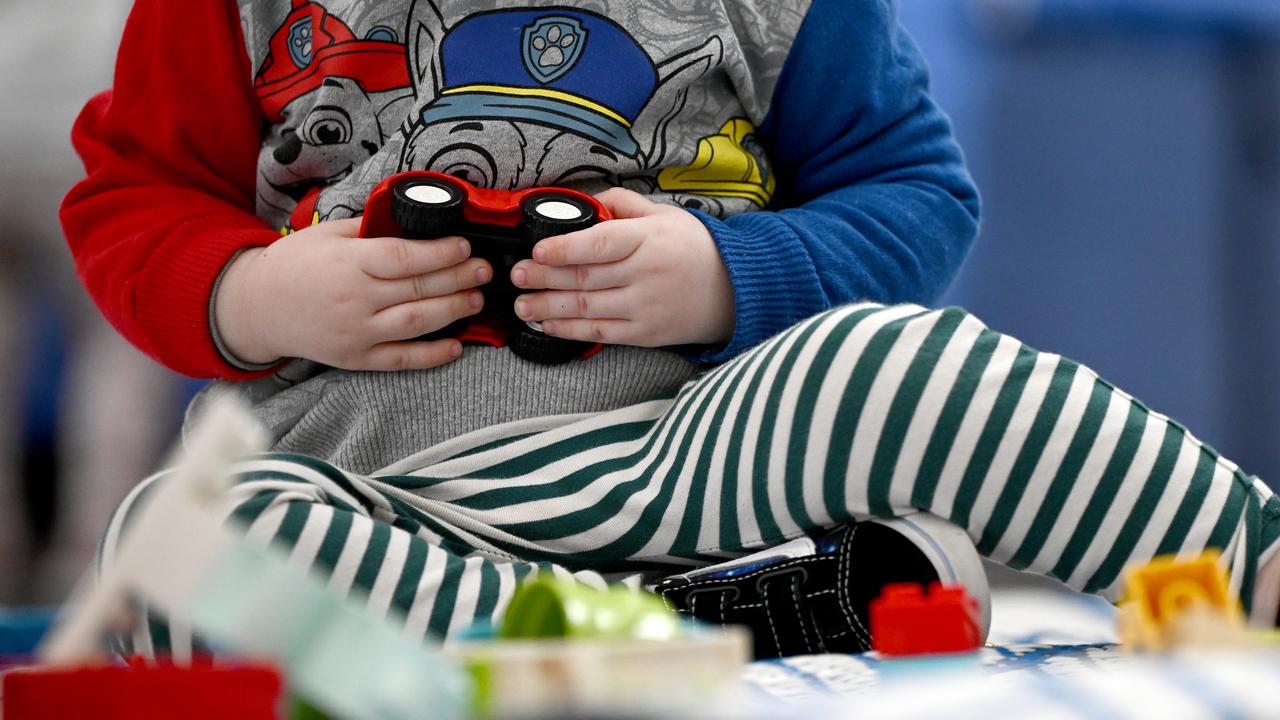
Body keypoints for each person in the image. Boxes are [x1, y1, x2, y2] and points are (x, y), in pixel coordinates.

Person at [66, 0, 1279, 658]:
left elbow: (916, 195)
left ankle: (1254, 558)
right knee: (184, 540)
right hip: (373, 490)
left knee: (890, 366)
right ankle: (695, 631)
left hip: (685, 454)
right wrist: (249, 293)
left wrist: (725, 271)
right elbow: (130, 192)